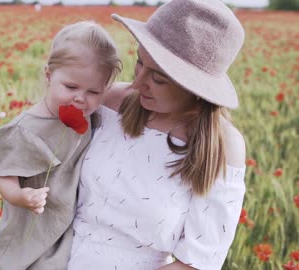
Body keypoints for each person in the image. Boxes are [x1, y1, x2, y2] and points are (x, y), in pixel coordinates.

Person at [67, 0, 247, 269]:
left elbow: (198, 262)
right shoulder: (112, 101)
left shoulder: (223, 146)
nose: (137, 83)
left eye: (159, 79)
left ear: (196, 88)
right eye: (140, 62)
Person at [0, 21, 122, 270]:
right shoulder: (27, 129)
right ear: (49, 76)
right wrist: (20, 196)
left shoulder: (90, 114)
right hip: (34, 221)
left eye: (93, 91)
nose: (80, 98)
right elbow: (3, 174)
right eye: (71, 87)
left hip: (69, 224)